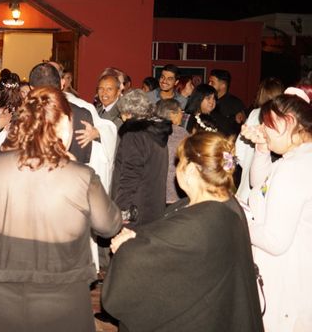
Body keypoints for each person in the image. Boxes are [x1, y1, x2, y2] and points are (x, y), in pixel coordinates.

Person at [0, 87, 122, 332]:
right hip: (62, 294)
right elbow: (109, 226)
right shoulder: (81, 176)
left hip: (0, 291)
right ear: (64, 122)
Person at [102, 132, 264, 331]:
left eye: (179, 162)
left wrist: (126, 247)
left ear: (192, 171)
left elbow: (155, 252)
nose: (175, 168)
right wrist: (139, 237)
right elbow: (169, 239)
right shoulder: (225, 203)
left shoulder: (202, 221)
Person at [241, 88, 312, 331]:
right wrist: (262, 148)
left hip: (287, 278)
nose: (262, 131)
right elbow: (260, 185)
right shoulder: (298, 158)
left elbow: (274, 240)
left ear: (289, 122)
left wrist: (239, 222)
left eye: (267, 125)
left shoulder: (292, 168)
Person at [112, 89, 172, 227]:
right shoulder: (157, 132)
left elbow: (129, 174)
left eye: (122, 114)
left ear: (128, 113)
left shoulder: (134, 135)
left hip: (135, 209)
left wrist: (121, 209)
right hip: (154, 206)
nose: (122, 118)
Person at [235, 77, 284, 202]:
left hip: (248, 185)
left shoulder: (255, 113)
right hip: (271, 188)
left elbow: (238, 151)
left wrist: (247, 165)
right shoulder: (283, 119)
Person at [155, 98, 189, 204]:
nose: (182, 115)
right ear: (172, 114)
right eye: (180, 112)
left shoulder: (150, 131)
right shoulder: (181, 133)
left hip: (154, 189)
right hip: (174, 190)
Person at [208, 69, 246, 135]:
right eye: (209, 81)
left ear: (223, 85)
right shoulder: (208, 101)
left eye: (212, 82)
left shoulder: (236, 103)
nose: (209, 84)